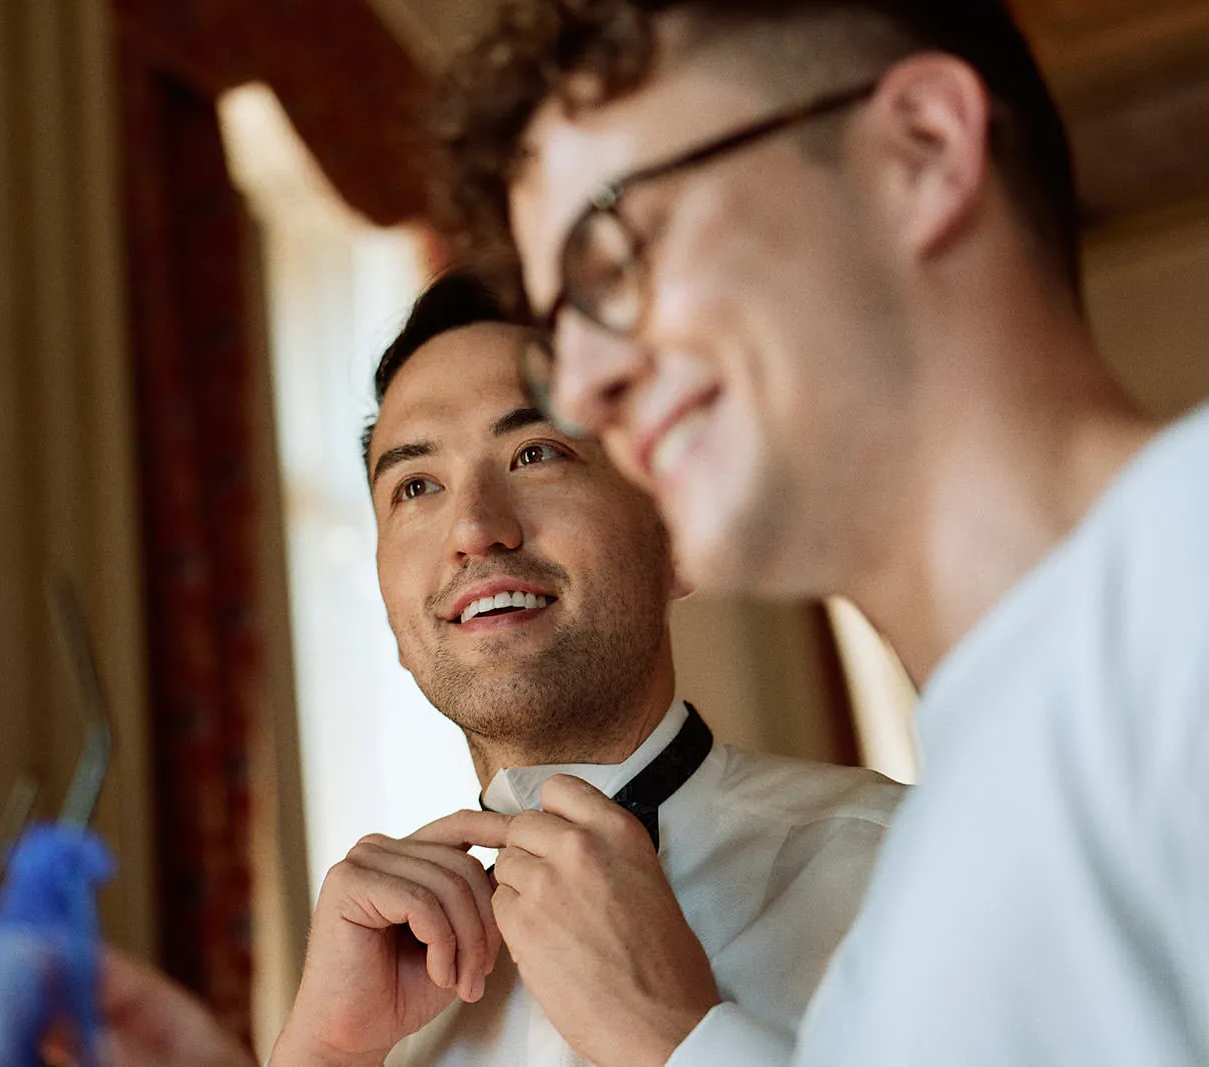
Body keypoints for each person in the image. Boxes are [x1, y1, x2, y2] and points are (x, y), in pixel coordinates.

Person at [430, 1, 1208, 1065]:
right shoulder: (906, 920)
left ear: (920, 151)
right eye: (557, 335)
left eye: (616, 254)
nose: (583, 386)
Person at [265, 271, 901, 1067]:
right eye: (416, 486)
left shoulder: (912, 866)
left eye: (536, 452)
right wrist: (321, 1054)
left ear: (674, 533)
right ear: (394, 610)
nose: (473, 528)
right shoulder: (369, 1013)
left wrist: (676, 1040)